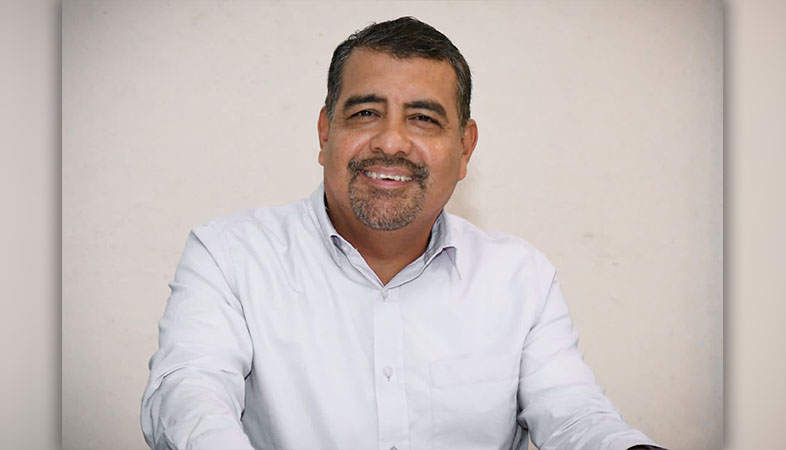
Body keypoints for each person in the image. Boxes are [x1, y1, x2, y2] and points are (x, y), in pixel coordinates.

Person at [141, 16, 665, 450]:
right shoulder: (228, 256)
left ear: (465, 148)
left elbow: (573, 414)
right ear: (325, 133)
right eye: (366, 112)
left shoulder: (521, 277)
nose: (391, 142)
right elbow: (191, 394)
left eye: (423, 119)